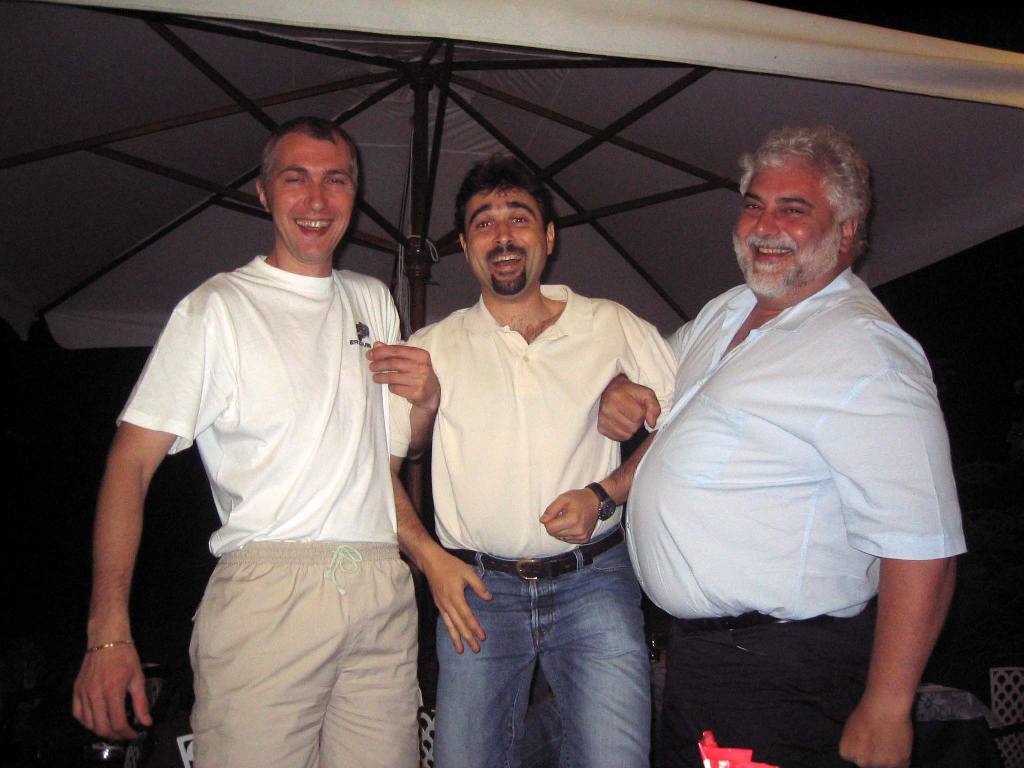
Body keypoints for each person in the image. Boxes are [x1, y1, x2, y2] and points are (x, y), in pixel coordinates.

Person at [599, 126, 966, 768]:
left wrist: (886, 707)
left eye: (793, 209)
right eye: (753, 205)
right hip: (703, 660)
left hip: (783, 671)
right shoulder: (729, 310)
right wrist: (619, 389)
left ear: (846, 231)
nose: (764, 226)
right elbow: (655, 389)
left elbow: (924, 546)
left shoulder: (867, 352)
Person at [71, 117, 431, 768]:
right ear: (264, 193)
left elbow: (385, 460)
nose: (317, 199)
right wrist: (107, 633)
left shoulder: (374, 300)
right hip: (270, 590)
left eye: (336, 180)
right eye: (296, 179)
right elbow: (131, 462)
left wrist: (426, 402)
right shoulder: (217, 309)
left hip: (379, 584)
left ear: (354, 194)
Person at [371, 155, 677, 768]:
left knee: (614, 758)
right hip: (476, 589)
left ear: (549, 237)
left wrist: (607, 492)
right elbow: (377, 468)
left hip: (595, 582)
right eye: (483, 223)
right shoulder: (433, 347)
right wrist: (429, 560)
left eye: (519, 218)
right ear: (464, 247)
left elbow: (685, 427)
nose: (503, 236)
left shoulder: (609, 324)